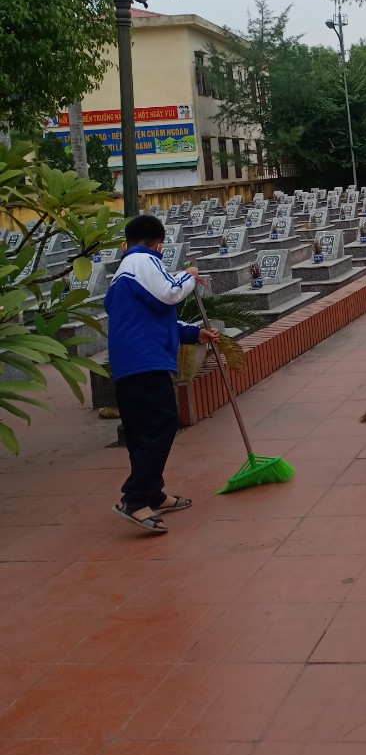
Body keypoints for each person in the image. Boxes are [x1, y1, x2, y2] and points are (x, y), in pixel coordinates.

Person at [104, 214, 220, 534]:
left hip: (132, 363)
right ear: (159, 246)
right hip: (145, 362)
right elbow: (171, 293)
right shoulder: (142, 261)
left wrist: (194, 334)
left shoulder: (124, 272)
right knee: (162, 424)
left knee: (142, 431)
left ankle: (152, 493)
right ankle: (135, 499)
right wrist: (189, 276)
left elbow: (153, 315)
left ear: (125, 243)